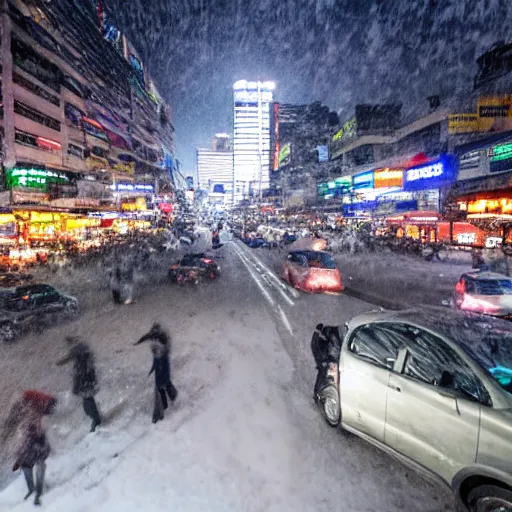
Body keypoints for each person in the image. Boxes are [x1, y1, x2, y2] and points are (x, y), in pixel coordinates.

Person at [2, 390, 56, 506]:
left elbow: (12, 422)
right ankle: (39, 488)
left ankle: (34, 489)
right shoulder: (37, 404)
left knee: (27, 461)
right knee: (38, 460)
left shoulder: (24, 406)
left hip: (33, 438)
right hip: (39, 437)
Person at [134, 323, 178, 423]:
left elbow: (150, 339)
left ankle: (161, 409)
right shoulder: (159, 340)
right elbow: (146, 337)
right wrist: (138, 342)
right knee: (164, 383)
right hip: (159, 365)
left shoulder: (162, 346)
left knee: (160, 386)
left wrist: (157, 355)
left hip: (161, 366)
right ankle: (172, 396)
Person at [56, 337, 102, 432]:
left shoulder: (77, 349)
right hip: (86, 375)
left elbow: (66, 359)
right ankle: (95, 418)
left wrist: (58, 362)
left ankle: (96, 419)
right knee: (87, 398)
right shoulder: (83, 347)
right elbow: (89, 359)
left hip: (83, 376)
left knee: (87, 398)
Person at [311, 324, 343, 401]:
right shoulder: (319, 342)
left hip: (330, 354)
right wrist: (322, 361)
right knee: (323, 372)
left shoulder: (333, 335)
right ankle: (317, 394)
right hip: (323, 357)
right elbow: (314, 345)